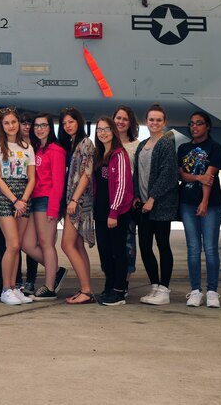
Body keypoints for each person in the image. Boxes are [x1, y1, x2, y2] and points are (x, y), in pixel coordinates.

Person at [0, 107, 36, 306]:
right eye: (6, 123)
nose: (11, 126)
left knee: (17, 247)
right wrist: (15, 200)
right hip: (5, 196)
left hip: (24, 196)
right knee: (12, 244)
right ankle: (6, 289)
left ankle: (14, 288)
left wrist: (23, 199)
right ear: (2, 126)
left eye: (14, 122)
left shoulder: (27, 147)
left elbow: (31, 178)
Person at [178, 111, 221, 308]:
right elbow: (181, 175)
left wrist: (204, 202)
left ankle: (212, 291)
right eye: (192, 123)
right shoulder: (183, 148)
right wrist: (196, 178)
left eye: (199, 123)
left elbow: (210, 177)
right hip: (187, 203)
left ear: (207, 127)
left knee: (211, 249)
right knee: (193, 249)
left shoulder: (214, 148)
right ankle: (196, 290)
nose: (194, 127)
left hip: (211, 204)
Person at [133, 104, 179, 306]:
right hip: (143, 205)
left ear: (164, 123)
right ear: (146, 121)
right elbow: (138, 173)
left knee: (162, 245)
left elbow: (168, 175)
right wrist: (137, 196)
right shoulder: (143, 145)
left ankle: (164, 289)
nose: (154, 123)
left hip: (160, 205)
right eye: (151, 119)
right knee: (144, 246)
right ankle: (154, 286)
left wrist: (152, 198)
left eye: (159, 120)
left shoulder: (166, 143)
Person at [92, 117, 134, 306]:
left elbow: (122, 185)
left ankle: (119, 290)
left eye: (106, 129)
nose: (103, 132)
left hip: (116, 213)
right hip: (100, 212)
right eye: (99, 129)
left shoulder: (119, 154)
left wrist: (114, 212)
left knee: (118, 252)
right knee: (105, 252)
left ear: (113, 131)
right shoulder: (99, 155)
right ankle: (109, 286)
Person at [58, 107, 96, 305]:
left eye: (71, 122)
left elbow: (86, 174)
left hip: (79, 202)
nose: (67, 126)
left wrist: (74, 200)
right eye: (64, 124)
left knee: (67, 244)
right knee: (78, 246)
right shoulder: (74, 144)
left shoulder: (86, 144)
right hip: (73, 200)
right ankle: (85, 289)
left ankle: (87, 291)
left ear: (79, 122)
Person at [28, 113, 67, 300]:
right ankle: (56, 270)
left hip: (46, 201)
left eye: (43, 125)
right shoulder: (36, 148)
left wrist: (53, 209)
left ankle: (49, 287)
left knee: (46, 244)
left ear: (50, 127)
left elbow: (58, 183)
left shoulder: (56, 150)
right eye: (36, 125)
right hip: (33, 200)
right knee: (26, 243)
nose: (39, 129)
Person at [114, 105, 140, 283]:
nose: (120, 122)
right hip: (109, 202)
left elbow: (139, 174)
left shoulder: (137, 146)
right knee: (110, 244)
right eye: (118, 118)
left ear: (130, 123)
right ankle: (113, 280)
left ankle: (124, 282)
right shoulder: (106, 143)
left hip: (128, 202)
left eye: (124, 119)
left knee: (127, 242)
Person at [19, 111, 39, 295]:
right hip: (17, 198)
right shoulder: (13, 145)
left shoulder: (39, 146)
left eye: (29, 123)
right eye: (23, 123)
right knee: (16, 241)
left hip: (36, 197)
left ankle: (31, 280)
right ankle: (17, 280)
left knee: (32, 242)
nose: (26, 126)